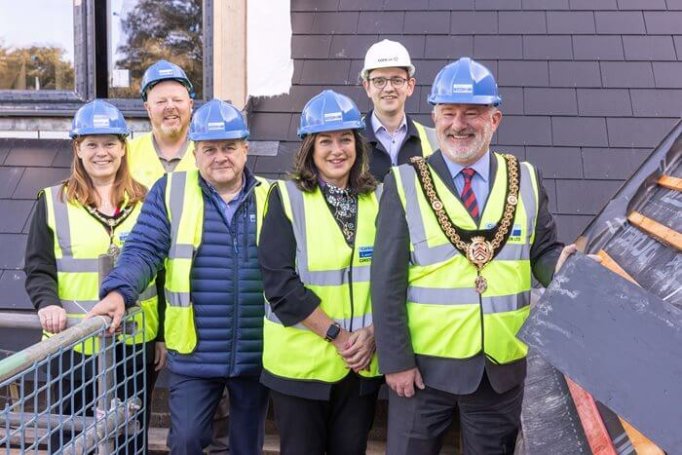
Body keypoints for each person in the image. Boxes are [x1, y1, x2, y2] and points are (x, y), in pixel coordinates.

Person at [371, 57, 578, 454]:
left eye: (473, 113)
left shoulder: (527, 178)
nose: (458, 124)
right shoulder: (405, 182)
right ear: (435, 118)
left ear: (495, 119)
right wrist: (395, 361)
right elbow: (386, 281)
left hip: (498, 372)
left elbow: (543, 251)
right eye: (448, 113)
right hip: (421, 372)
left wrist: (565, 270)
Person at [89, 99, 270, 455]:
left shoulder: (272, 196)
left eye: (230, 147)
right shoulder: (170, 191)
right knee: (185, 441)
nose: (221, 157)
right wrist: (118, 293)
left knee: (246, 447)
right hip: (194, 351)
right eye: (210, 149)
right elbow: (143, 249)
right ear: (195, 152)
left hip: (257, 350)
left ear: (245, 149)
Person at [24, 100, 158, 452]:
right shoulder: (53, 201)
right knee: (72, 434)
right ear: (78, 149)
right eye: (92, 144)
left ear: (123, 147)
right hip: (72, 341)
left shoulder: (147, 200)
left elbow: (164, 271)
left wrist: (161, 339)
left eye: (110, 143)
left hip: (134, 341)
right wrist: (47, 303)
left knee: (129, 433)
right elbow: (38, 267)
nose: (102, 152)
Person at [258, 90, 383, 455]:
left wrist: (372, 336)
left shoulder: (379, 198)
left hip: (360, 366)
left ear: (357, 146)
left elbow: (394, 277)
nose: (337, 149)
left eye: (345, 139)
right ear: (309, 149)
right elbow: (279, 285)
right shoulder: (286, 198)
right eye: (325, 141)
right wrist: (339, 336)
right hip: (301, 369)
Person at [133, 59, 231, 453]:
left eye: (177, 98)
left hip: (202, 305)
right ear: (147, 107)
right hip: (146, 304)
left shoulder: (211, 146)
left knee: (214, 418)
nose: (170, 107)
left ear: (191, 103)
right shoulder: (124, 152)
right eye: (160, 100)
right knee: (132, 407)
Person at [360, 39, 438, 181]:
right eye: (379, 81)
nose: (389, 88)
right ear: (367, 87)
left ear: (410, 86)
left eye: (397, 80)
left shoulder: (435, 141)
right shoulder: (350, 141)